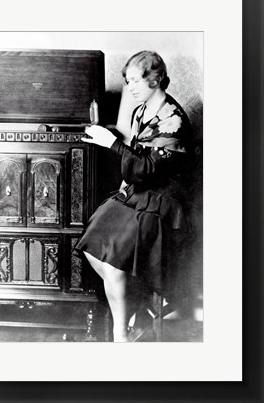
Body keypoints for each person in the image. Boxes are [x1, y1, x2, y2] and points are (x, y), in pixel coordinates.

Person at [77, 50, 193, 342]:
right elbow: (136, 163)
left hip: (163, 201)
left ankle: (120, 335)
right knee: (92, 247)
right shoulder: (141, 110)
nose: (130, 88)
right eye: (127, 82)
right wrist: (123, 186)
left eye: (134, 81)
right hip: (137, 192)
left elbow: (149, 167)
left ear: (154, 78)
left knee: (114, 262)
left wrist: (113, 144)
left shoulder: (173, 119)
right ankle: (132, 309)